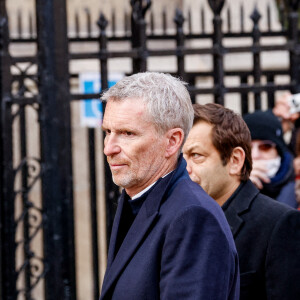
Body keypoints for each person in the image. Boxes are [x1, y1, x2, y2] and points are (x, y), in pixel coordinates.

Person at [100, 73, 239, 300]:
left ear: (172, 142)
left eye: (127, 133)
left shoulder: (193, 217)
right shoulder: (137, 199)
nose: (109, 148)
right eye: (108, 132)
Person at [183, 103, 300, 300]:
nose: (185, 169)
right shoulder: (177, 218)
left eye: (196, 156)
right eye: (180, 158)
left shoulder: (279, 224)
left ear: (235, 160)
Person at [243, 110, 298, 208]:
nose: (255, 155)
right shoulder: (228, 188)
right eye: (248, 148)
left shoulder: (296, 185)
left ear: (279, 151)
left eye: (265, 147)